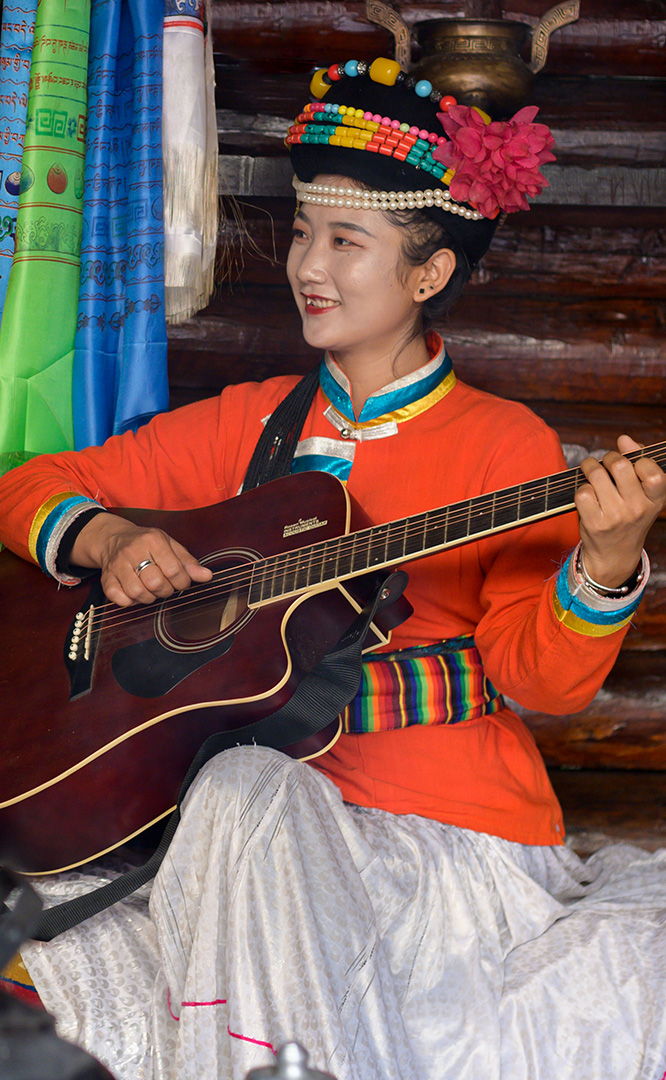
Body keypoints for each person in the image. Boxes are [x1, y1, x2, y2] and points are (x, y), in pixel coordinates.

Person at [1, 56, 666, 1080]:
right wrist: (110, 541)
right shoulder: (248, 422)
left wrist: (608, 562)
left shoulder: (503, 443)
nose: (308, 264)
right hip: (228, 841)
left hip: (438, 841)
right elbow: (30, 485)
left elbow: (540, 679)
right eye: (304, 231)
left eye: (346, 241)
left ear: (427, 275)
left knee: (244, 790)